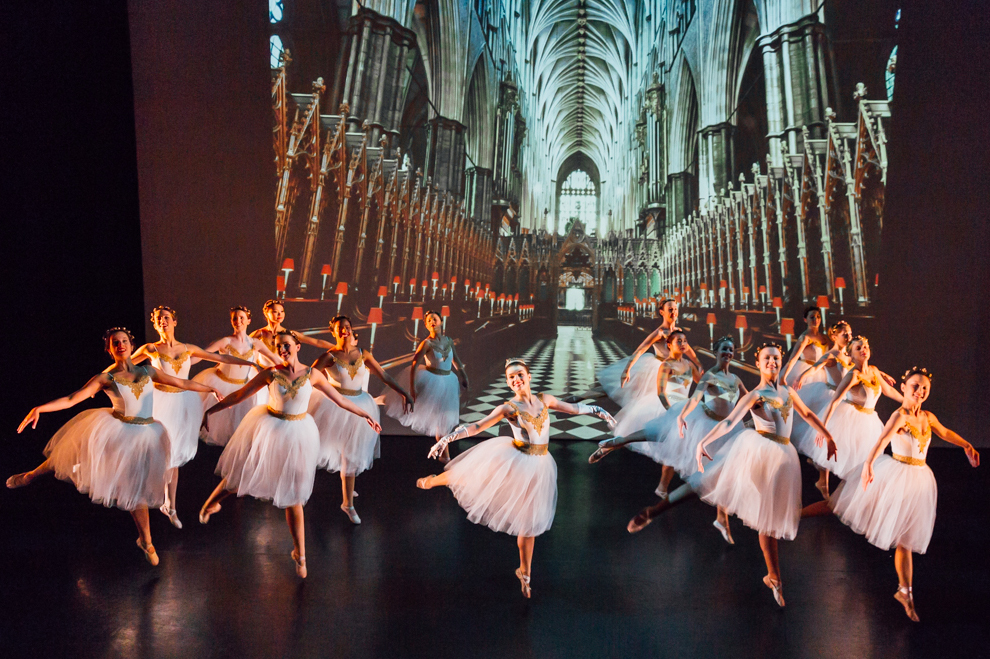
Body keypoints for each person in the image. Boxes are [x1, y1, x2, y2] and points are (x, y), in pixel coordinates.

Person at [628, 343, 836, 607]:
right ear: (758, 364)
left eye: (775, 358)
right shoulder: (755, 395)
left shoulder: (786, 392)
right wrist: (704, 442)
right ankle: (655, 511)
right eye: (766, 358)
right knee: (710, 485)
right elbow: (729, 421)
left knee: (768, 519)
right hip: (757, 452)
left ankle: (773, 577)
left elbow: (806, 413)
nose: (772, 362)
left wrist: (827, 435)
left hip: (784, 456)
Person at [7, 328, 221, 566]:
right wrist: (39, 408)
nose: (121, 345)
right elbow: (72, 399)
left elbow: (180, 381)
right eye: (115, 342)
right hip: (119, 431)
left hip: (148, 433)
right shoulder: (105, 378)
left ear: (131, 345)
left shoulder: (148, 371)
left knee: (136, 488)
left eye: (124, 341)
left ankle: (146, 541)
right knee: (75, 454)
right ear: (109, 350)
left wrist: (209, 388)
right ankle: (31, 475)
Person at [416, 358, 615, 597]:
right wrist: (447, 438)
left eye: (519, 374)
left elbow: (573, 408)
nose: (516, 380)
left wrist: (599, 411)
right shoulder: (508, 408)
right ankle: (434, 480)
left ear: (529, 376)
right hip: (514, 457)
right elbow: (478, 426)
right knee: (473, 477)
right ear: (509, 384)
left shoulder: (545, 400)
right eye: (511, 378)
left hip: (540, 465)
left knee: (528, 524)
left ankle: (525, 572)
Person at [198, 331, 381, 579]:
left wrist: (365, 415)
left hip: (299, 433)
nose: (282, 349)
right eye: (279, 346)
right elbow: (240, 395)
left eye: (286, 345)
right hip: (271, 427)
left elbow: (340, 400)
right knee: (242, 474)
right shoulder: (271, 374)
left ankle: (300, 554)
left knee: (295, 494)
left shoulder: (312, 374)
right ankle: (211, 503)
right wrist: (211, 411)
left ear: (297, 346)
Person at [822, 368, 979, 622]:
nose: (920, 392)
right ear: (904, 387)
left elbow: (945, 432)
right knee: (848, 508)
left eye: (925, 388)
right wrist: (869, 464)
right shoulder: (900, 415)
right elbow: (881, 441)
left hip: (919, 480)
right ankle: (803, 512)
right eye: (915, 386)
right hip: (896, 474)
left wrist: (967, 445)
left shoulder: (927, 416)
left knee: (905, 539)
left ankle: (905, 592)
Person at [590, 336, 748, 543]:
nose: (728, 353)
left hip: (725, 429)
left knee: (719, 475)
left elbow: (749, 399)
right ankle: (616, 442)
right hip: (703, 422)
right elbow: (695, 397)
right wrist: (683, 415)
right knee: (658, 434)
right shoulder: (710, 375)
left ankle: (720, 517)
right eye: (724, 349)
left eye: (731, 350)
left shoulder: (735, 379)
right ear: (716, 352)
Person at [128, 305, 256, 528]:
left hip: (183, 403)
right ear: (155, 324)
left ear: (174, 321)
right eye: (159, 319)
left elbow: (222, 359)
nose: (163, 321)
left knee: (175, 455)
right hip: (159, 401)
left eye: (166, 318)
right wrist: (103, 380)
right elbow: (125, 365)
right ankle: (151, 495)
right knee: (162, 452)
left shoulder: (188, 349)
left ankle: (171, 506)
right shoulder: (150, 348)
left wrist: (249, 363)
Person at [301, 315, 413, 524]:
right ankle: (324, 492)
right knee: (323, 450)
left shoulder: (363, 354)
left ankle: (347, 502)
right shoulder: (329, 356)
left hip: (362, 405)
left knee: (351, 454)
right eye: (339, 328)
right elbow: (308, 379)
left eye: (347, 327)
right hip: (335, 406)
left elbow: (384, 375)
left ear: (352, 330)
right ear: (333, 332)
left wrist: (403, 392)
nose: (344, 330)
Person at [590, 329, 703, 498]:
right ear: (669, 345)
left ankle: (662, 488)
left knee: (674, 448)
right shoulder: (666, 365)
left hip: (684, 408)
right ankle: (613, 444)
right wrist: (670, 410)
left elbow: (701, 384)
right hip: (668, 407)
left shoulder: (689, 365)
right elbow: (661, 392)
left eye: (685, 340)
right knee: (648, 435)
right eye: (679, 341)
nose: (683, 344)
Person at [804, 336, 902, 488]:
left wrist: (907, 401)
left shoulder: (874, 370)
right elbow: (835, 401)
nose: (863, 350)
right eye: (858, 348)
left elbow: (888, 390)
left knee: (868, 460)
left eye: (865, 347)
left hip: (870, 422)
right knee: (854, 463)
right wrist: (822, 428)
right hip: (851, 421)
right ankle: (834, 486)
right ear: (851, 355)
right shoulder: (853, 375)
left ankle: (857, 490)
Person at [573, 299, 700, 408]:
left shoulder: (678, 331)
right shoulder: (660, 332)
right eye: (670, 310)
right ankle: (581, 397)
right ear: (662, 312)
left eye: (675, 309)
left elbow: (688, 349)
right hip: (656, 367)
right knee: (619, 389)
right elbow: (640, 350)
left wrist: (698, 364)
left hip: (671, 369)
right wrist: (627, 369)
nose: (674, 313)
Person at [384, 310, 468, 461]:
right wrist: (412, 387)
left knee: (443, 420)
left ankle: (443, 454)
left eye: (434, 319)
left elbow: (456, 360)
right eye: (428, 321)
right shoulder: (426, 343)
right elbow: (415, 365)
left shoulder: (449, 340)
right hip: (432, 381)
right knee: (440, 420)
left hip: (448, 381)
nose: (432, 322)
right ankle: (445, 456)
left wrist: (463, 374)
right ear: (426, 325)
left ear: (441, 321)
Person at [195, 306, 282, 447]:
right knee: (221, 427)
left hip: (244, 385)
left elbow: (275, 359)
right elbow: (203, 354)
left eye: (241, 318)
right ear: (231, 321)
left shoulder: (255, 343)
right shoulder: (225, 341)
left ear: (249, 320)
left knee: (241, 429)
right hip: (222, 383)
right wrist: (184, 364)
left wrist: (290, 370)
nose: (238, 321)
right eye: (235, 318)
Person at [790, 320, 853, 498]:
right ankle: (822, 480)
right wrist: (802, 376)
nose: (848, 336)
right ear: (834, 336)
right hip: (831, 397)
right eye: (844, 333)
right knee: (827, 436)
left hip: (846, 401)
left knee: (844, 439)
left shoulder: (850, 356)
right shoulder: (832, 355)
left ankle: (828, 476)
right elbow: (816, 367)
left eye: (849, 333)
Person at [781, 306, 829, 387]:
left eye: (818, 317)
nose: (816, 320)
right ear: (805, 320)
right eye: (812, 317)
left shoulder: (825, 337)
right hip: (805, 371)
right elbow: (793, 359)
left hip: (822, 372)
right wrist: (783, 377)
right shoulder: (805, 337)